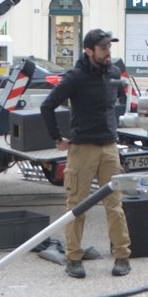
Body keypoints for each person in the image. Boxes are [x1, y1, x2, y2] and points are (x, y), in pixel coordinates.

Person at [41, 28, 132, 279]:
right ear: (89, 50)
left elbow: (122, 97)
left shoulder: (113, 72)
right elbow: (47, 105)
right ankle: (73, 258)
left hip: (109, 147)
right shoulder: (75, 77)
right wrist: (57, 138)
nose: (108, 52)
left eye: (109, 47)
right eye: (103, 48)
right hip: (82, 149)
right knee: (76, 206)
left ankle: (122, 256)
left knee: (115, 205)